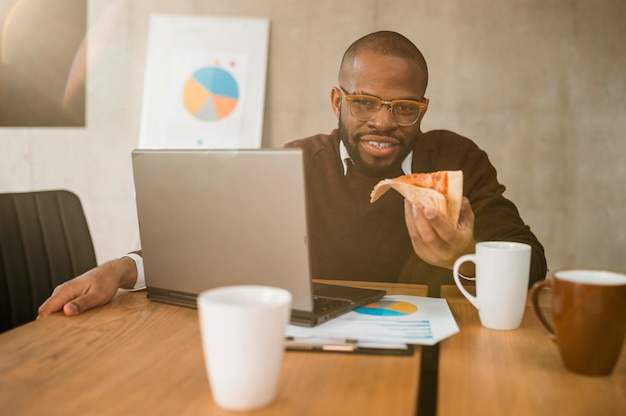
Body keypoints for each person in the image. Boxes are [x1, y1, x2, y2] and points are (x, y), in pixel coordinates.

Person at [38, 30, 547, 318]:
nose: (383, 122)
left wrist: (467, 253)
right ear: (337, 101)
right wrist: (123, 269)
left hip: (441, 345)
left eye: (404, 108)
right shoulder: (299, 162)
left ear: (423, 108)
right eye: (365, 102)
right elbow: (214, 243)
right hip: (318, 343)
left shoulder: (460, 159)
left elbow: (534, 264)